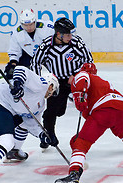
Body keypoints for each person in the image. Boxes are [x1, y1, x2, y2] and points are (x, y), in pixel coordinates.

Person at [54, 63, 123, 183]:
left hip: (104, 111)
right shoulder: (103, 82)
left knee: (81, 143)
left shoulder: (82, 75)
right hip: (122, 110)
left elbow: (82, 79)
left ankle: (74, 174)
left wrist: (79, 97)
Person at [0, 66, 60, 183]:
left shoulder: (40, 105)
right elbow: (21, 70)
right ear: (51, 86)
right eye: (53, 91)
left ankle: (14, 151)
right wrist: (18, 83)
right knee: (6, 140)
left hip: (10, 109)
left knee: (23, 124)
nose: (51, 94)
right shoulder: (41, 84)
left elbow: (32, 123)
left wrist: (44, 136)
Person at [30, 17, 94, 150]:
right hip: (57, 82)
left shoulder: (76, 42)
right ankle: (48, 134)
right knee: (54, 112)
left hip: (76, 80)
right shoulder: (46, 45)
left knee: (88, 106)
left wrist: (77, 75)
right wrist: (39, 83)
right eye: (68, 34)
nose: (71, 37)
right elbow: (35, 62)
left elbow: (88, 60)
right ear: (58, 34)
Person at [4, 9, 55, 79]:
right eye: (25, 25)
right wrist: (13, 64)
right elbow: (14, 51)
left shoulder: (48, 27)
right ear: (21, 24)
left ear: (35, 21)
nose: (29, 27)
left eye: (31, 24)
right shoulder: (16, 33)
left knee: (58, 70)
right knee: (19, 71)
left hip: (48, 55)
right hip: (29, 55)